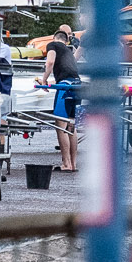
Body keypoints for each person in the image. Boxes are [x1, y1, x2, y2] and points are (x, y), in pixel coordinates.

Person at [40, 23, 83, 172]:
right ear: (66, 40)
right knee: (71, 125)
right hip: (77, 85)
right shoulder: (69, 52)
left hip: (65, 89)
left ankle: (66, 163)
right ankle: (73, 164)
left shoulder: (53, 45)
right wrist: (52, 82)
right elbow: (68, 73)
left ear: (54, 38)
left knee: (60, 125)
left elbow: (50, 62)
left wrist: (44, 79)